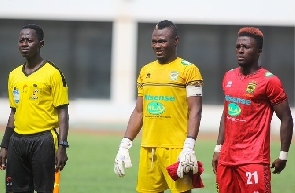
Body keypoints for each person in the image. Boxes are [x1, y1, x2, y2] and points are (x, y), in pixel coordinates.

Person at [114, 20, 203, 193]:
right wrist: (124, 145)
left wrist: (189, 146)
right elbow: (139, 111)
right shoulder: (145, 71)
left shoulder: (189, 70)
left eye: (162, 41)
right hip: (149, 148)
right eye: (154, 41)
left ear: (175, 41)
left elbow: (196, 110)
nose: (157, 45)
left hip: (177, 149)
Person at [211, 27, 293, 193]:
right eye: (238, 46)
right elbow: (226, 114)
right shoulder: (229, 76)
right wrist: (218, 148)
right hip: (227, 159)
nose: (240, 50)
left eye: (246, 47)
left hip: (254, 160)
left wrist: (283, 155)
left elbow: (286, 117)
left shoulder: (270, 81)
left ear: (258, 52)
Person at [0, 24, 70, 193]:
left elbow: (63, 112)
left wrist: (62, 146)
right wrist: (4, 145)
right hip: (17, 142)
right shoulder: (14, 75)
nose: (24, 44)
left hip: (43, 141)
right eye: (21, 40)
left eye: (29, 40)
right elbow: (13, 112)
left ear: (41, 44)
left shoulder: (53, 73)